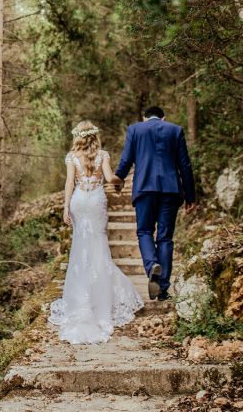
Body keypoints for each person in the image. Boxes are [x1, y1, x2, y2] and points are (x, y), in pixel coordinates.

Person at [48, 120, 144, 344]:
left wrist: (65, 208)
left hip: (79, 202)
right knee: (99, 246)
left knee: (80, 249)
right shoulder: (104, 155)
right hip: (96, 202)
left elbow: (70, 183)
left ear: (78, 136)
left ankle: (81, 298)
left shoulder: (71, 157)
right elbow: (111, 179)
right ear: (95, 136)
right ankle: (101, 302)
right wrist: (122, 180)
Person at [113, 105, 197, 301]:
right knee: (165, 238)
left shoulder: (135, 129)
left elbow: (126, 160)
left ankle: (151, 266)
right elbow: (185, 165)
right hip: (170, 190)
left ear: (144, 118)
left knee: (144, 231)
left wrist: (119, 180)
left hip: (144, 189)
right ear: (163, 117)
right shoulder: (175, 130)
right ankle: (163, 289)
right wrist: (190, 197)